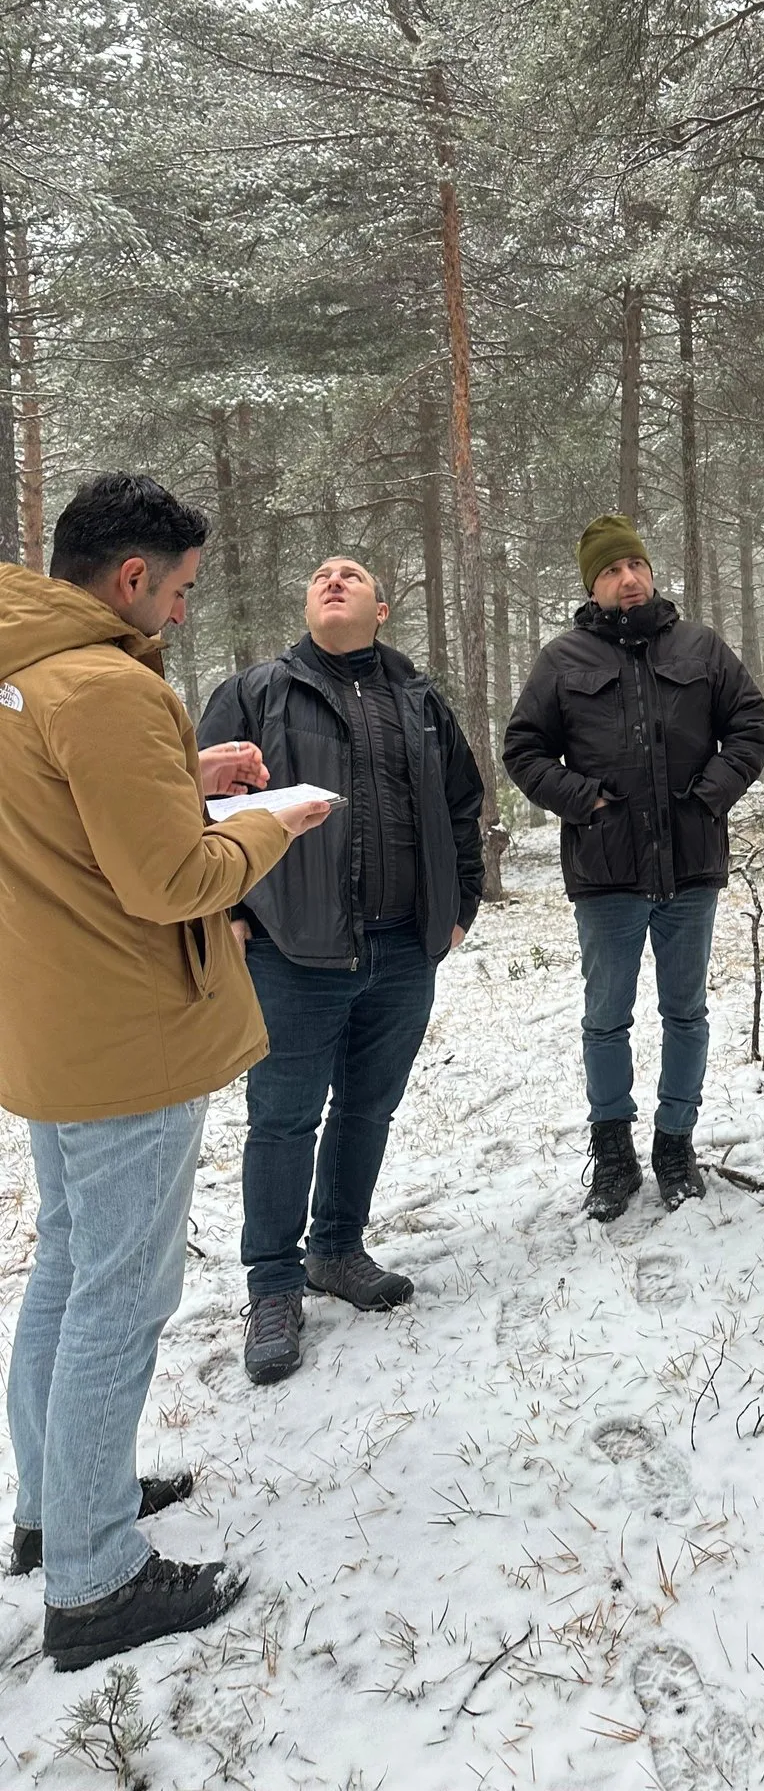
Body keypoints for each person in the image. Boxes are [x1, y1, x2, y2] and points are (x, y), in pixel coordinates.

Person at [0, 474, 332, 1670]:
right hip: (129, 1025)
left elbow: (61, 817)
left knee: (68, 1270)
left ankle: (55, 1509)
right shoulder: (104, 681)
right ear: (132, 576)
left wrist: (179, 778)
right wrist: (269, 822)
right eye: (180, 587)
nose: (182, 612)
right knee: (118, 1298)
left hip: (49, 1023)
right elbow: (170, 883)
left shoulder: (23, 666)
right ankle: (95, 1585)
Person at [198, 557, 485, 1385]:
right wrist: (233, 906)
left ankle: (335, 1250)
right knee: (284, 1119)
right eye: (319, 573)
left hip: (403, 947)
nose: (331, 578)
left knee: (368, 1107)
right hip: (295, 951)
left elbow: (463, 803)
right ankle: (274, 1285)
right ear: (305, 601)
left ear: (381, 607)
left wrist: (458, 901)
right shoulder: (256, 691)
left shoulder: (420, 700)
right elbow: (200, 807)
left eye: (351, 574)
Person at [503, 515, 764, 1221]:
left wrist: (710, 796)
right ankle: (614, 1151)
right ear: (592, 583)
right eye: (611, 570)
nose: (628, 578)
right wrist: (585, 801)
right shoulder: (562, 660)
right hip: (607, 869)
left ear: (650, 573)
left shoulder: (701, 648)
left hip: (690, 867)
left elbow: (749, 726)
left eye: (636, 566)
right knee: (605, 1019)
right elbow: (524, 749)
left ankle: (675, 1143)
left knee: (686, 1012)